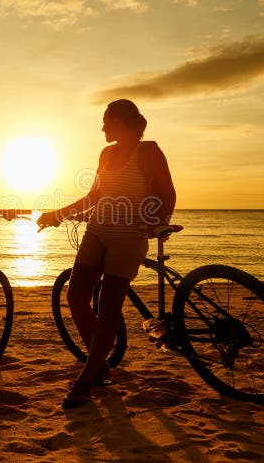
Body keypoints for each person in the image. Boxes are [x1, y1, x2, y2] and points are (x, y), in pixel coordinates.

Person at [37, 99, 176, 408]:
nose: (102, 127)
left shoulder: (149, 151)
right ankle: (99, 364)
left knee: (110, 305)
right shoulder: (106, 153)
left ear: (121, 121)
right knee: (75, 297)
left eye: (106, 121)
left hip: (130, 237)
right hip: (97, 232)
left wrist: (159, 223)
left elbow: (168, 193)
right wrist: (56, 214)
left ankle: (88, 377)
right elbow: (94, 196)